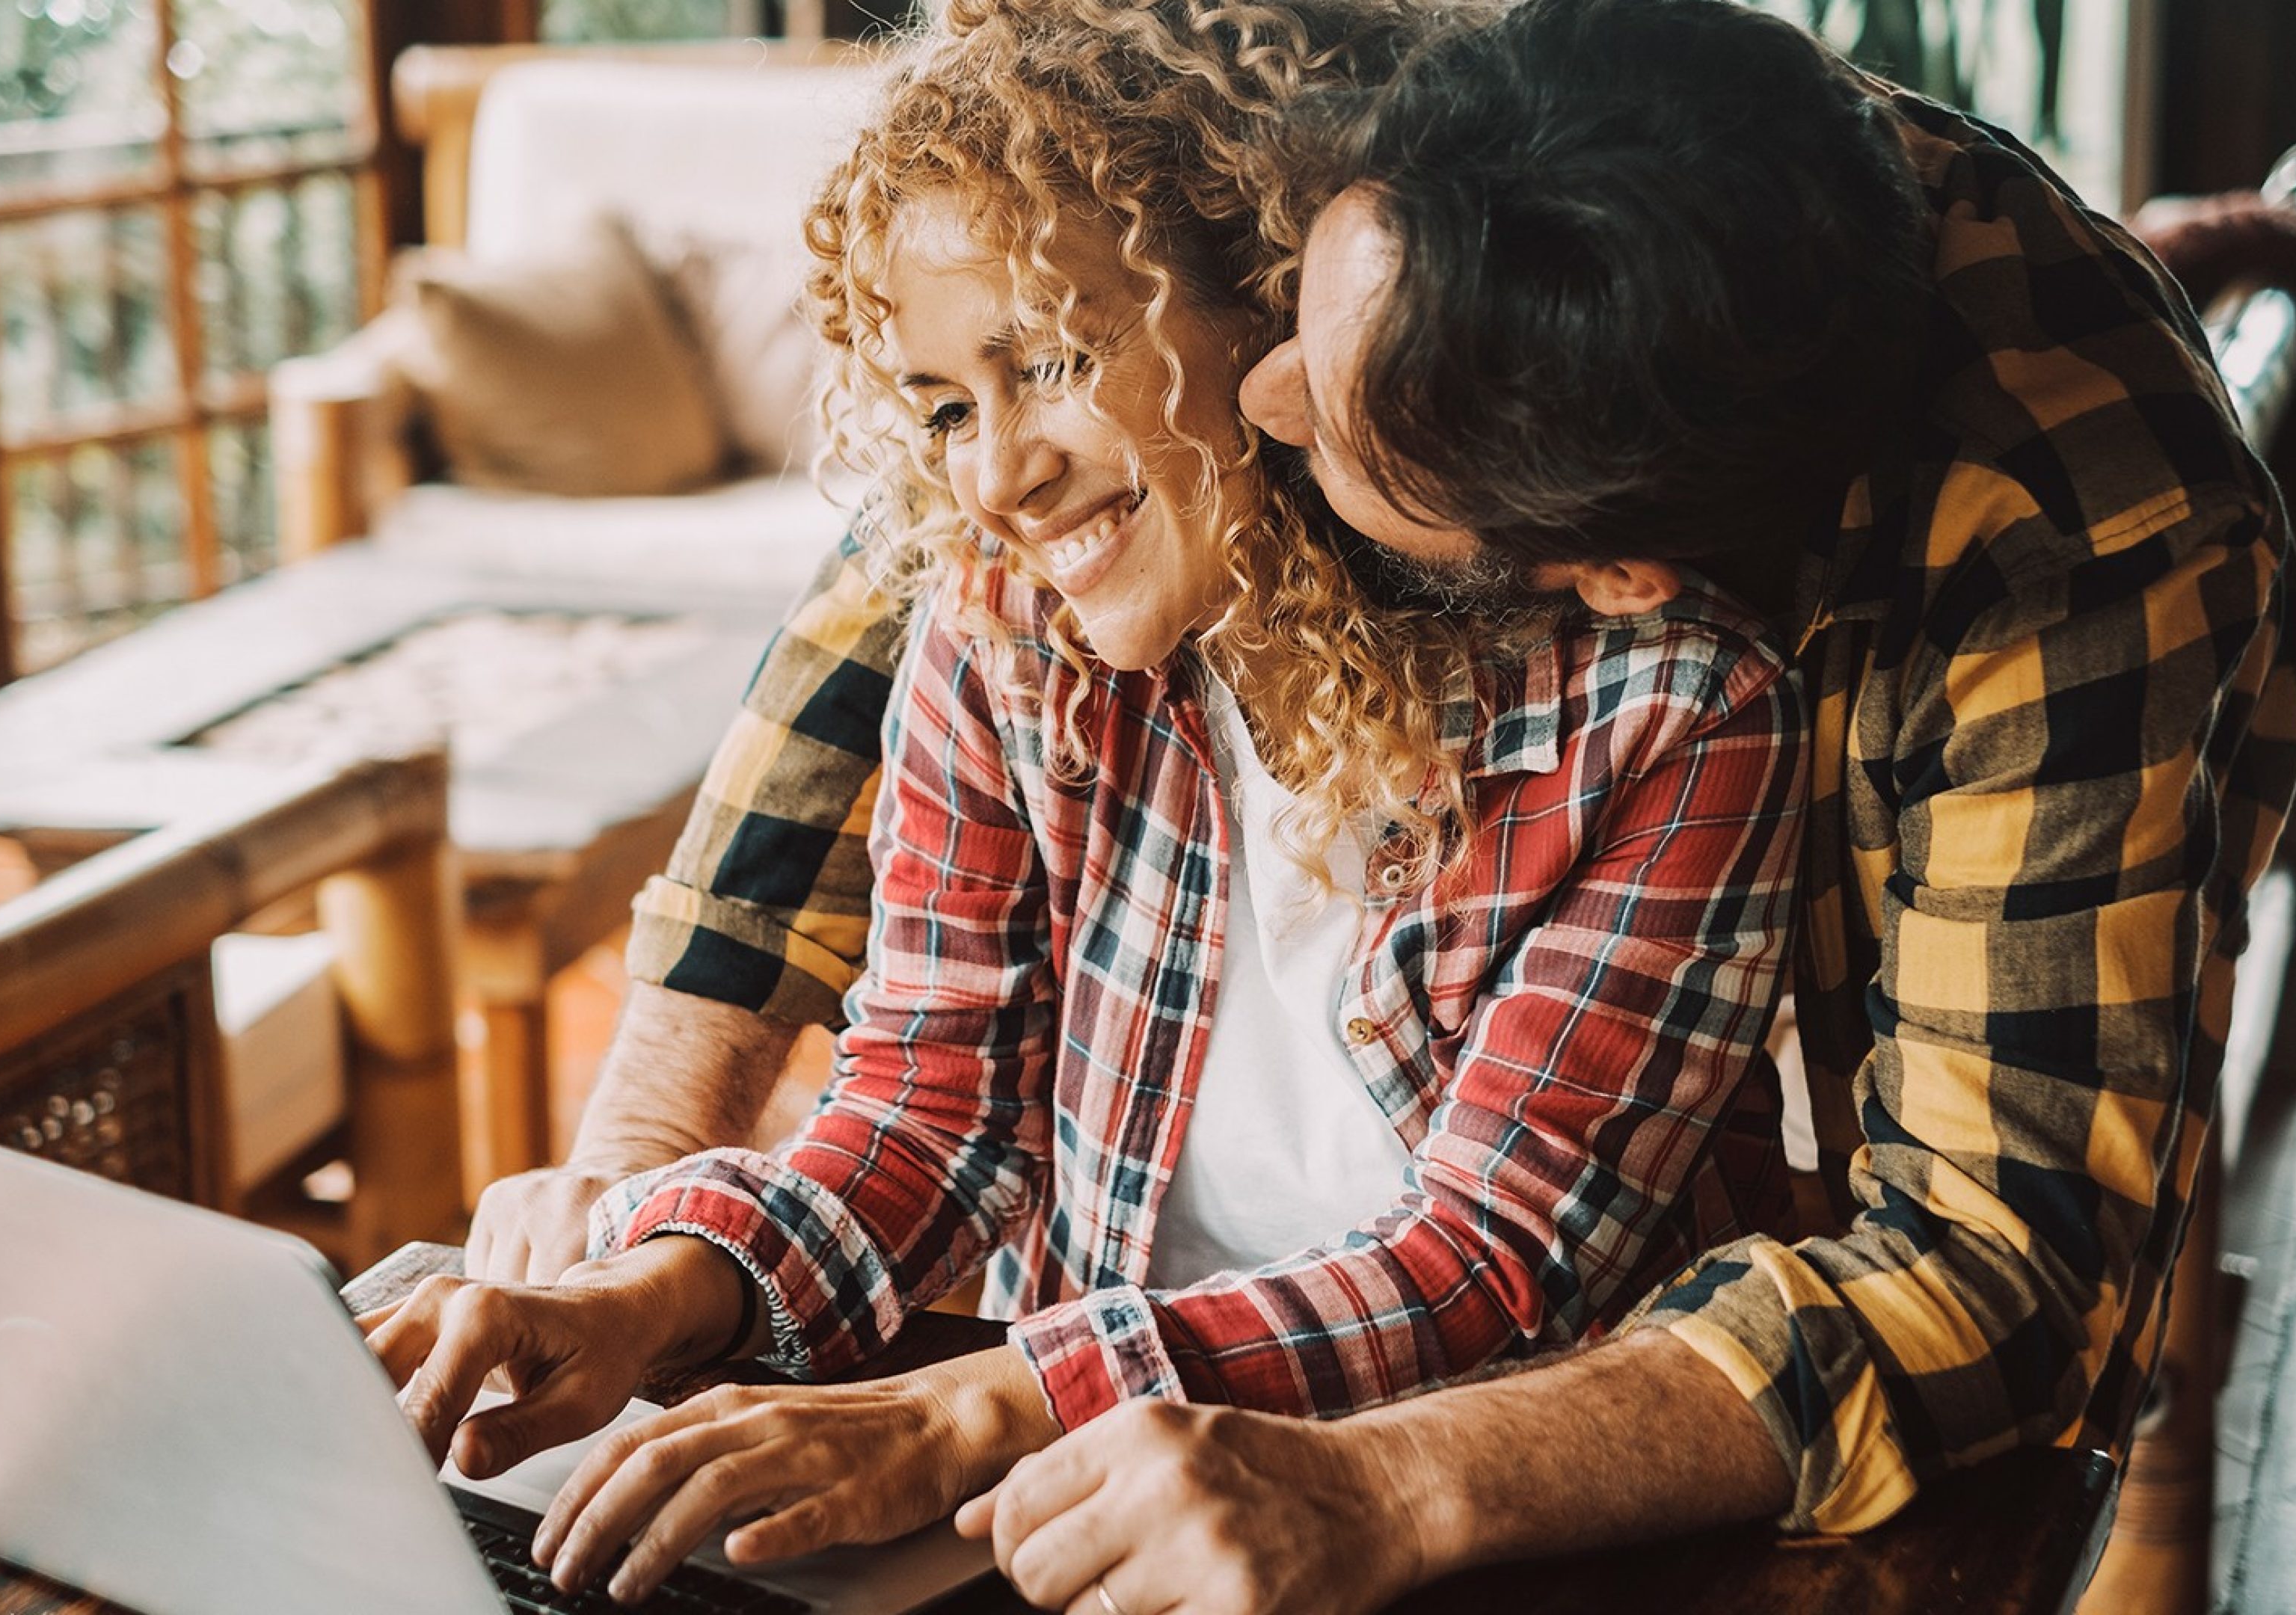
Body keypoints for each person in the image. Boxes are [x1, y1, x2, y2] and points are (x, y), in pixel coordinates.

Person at [370, 0, 1811, 1602]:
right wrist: (651, 1291)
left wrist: (975, 1409)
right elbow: (925, 1119)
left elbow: (1494, 1262)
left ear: (1264, 318)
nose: (992, 478)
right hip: (1076, 1511)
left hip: (1473, 1521)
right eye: (940, 407)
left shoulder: (1667, 711)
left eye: (1048, 362)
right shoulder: (1001, 632)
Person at [949, 1, 2296, 1609]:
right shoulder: (1469, 126)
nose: (1258, 399)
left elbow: (1991, 1271)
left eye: (1346, 420)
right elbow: (949, 551)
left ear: (1611, 582)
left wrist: (1388, 1484)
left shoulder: (2085, 545)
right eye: (1306, 297)